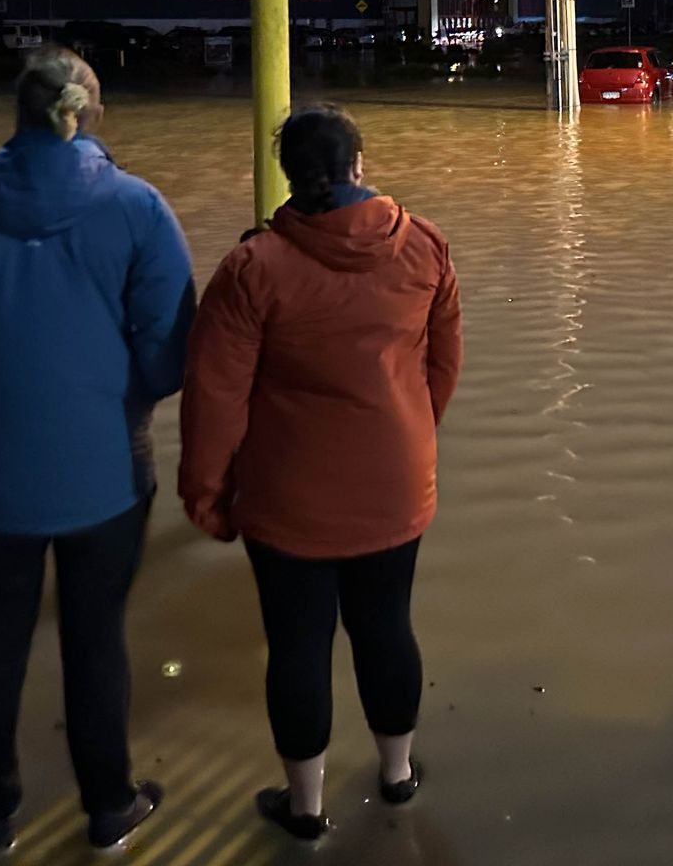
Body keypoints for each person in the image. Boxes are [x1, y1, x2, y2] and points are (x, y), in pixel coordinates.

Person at [0, 46, 195, 853]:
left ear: (19, 114)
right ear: (92, 114)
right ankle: (107, 805)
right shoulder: (140, 208)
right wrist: (127, 392)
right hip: (107, 471)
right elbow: (170, 342)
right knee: (96, 639)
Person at [180, 104, 463, 840]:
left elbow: (215, 394)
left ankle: (305, 809)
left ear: (288, 176)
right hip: (395, 484)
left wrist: (206, 492)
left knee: (298, 646)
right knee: (386, 626)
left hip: (287, 497)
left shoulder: (253, 268)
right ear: (358, 166)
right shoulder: (424, 247)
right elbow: (443, 366)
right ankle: (397, 776)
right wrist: (407, 436)